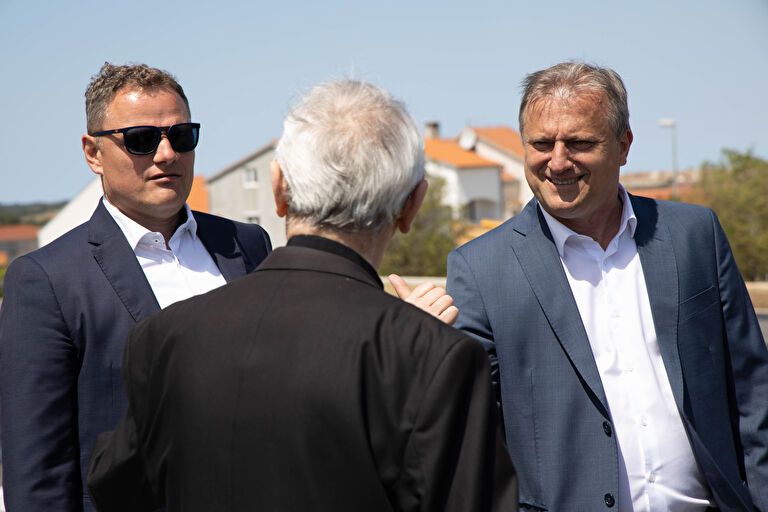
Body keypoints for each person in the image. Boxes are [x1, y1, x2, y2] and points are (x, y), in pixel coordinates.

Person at [87, 79, 517, 512]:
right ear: (412, 206)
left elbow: (116, 488)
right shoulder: (433, 358)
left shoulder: (164, 337)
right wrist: (407, 339)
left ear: (278, 189)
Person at [447, 61, 768, 511]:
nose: (558, 162)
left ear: (624, 145)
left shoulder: (694, 235)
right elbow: (468, 429)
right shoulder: (480, 270)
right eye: (541, 144)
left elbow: (753, 391)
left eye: (579, 143)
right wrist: (422, 345)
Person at [0, 62, 272, 512]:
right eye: (141, 139)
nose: (167, 154)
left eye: (181, 136)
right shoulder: (47, 281)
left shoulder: (246, 244)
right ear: (93, 153)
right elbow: (37, 476)